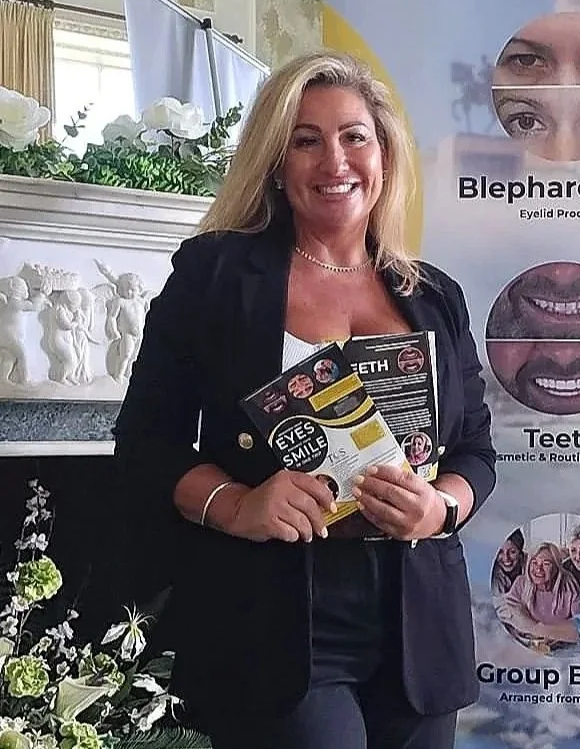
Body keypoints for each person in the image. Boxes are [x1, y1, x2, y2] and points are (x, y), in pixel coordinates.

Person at [113, 51, 497, 749]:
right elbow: (146, 441)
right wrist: (237, 506)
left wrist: (440, 506)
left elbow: (475, 449)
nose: (334, 161)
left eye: (354, 136)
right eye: (306, 139)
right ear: (276, 162)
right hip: (274, 627)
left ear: (383, 154)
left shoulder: (436, 296)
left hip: (417, 626)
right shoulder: (216, 275)